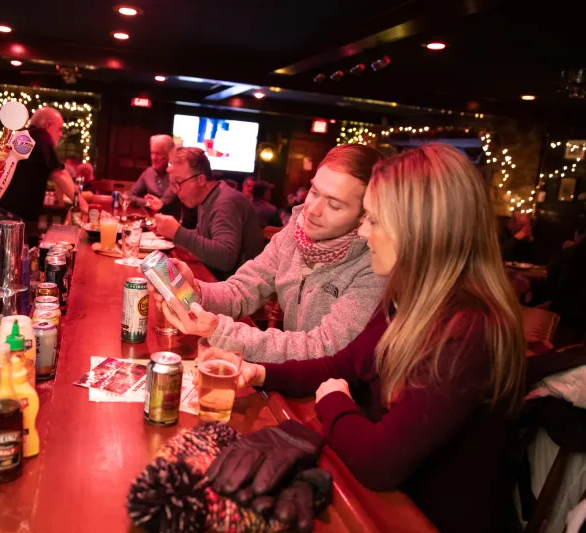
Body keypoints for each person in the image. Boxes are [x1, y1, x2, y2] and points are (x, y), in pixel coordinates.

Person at [227, 143, 526, 533]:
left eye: (375, 221)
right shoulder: (413, 297)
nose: (364, 234)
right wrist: (259, 373)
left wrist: (334, 400)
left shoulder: (470, 330)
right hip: (380, 501)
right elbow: (340, 364)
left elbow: (378, 461)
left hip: (422, 517)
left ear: (421, 232)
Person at [154, 144, 385, 363]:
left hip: (338, 392)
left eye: (334, 205)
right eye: (314, 192)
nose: (312, 210)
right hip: (292, 377)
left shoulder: (375, 264)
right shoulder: (295, 232)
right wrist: (196, 291)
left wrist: (221, 332)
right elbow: (241, 290)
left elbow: (324, 348)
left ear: (365, 215)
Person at [153, 147, 263, 280]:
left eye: (178, 183)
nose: (176, 191)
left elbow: (226, 258)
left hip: (238, 289)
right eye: (173, 185)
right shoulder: (210, 197)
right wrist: (169, 232)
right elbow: (204, 238)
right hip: (219, 281)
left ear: (200, 180)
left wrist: (178, 233)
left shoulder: (224, 203)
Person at [0, 107, 88, 223]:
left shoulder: (23, 137)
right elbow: (60, 174)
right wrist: (83, 205)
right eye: (59, 129)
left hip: (3, 211)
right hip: (16, 218)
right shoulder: (41, 137)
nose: (61, 134)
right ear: (48, 125)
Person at [128, 134, 177, 212]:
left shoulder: (176, 174)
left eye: (158, 154)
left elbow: (165, 202)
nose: (154, 158)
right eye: (152, 153)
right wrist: (147, 202)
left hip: (172, 221)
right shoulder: (148, 172)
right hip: (151, 219)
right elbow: (129, 196)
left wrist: (150, 203)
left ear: (169, 155)